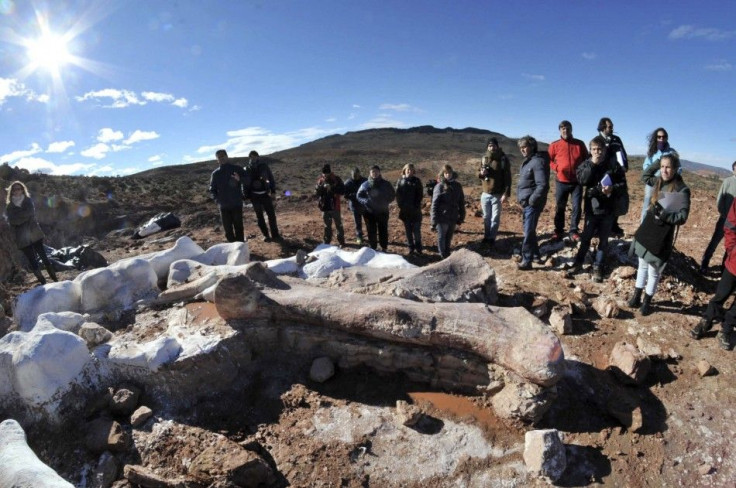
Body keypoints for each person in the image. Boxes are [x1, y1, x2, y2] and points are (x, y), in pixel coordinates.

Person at [627, 153, 690, 316]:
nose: (664, 170)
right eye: (662, 167)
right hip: (648, 230)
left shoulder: (681, 189)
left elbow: (682, 217)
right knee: (641, 266)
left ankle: (647, 302)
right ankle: (636, 296)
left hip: (662, 236)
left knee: (654, 271)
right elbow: (645, 175)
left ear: (676, 169)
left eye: (668, 167)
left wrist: (665, 215)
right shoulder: (658, 181)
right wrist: (657, 162)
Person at [566, 136, 627, 282]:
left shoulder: (614, 165)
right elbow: (582, 180)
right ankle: (579, 262)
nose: (597, 152)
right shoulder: (586, 164)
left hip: (608, 209)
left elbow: (623, 185)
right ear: (590, 150)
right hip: (592, 209)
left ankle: (598, 267)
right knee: (586, 238)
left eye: (600, 149)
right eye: (594, 149)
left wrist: (611, 189)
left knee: (603, 240)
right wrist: (593, 164)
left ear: (605, 150)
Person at [691, 198, 736, 350]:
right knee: (721, 294)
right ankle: (707, 320)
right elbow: (730, 225)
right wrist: (731, 250)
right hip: (734, 261)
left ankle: (727, 328)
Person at [4, 181, 58, 285]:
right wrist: (22, 218)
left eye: (19, 188)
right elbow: (12, 221)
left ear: (22, 189)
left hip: (35, 233)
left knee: (44, 257)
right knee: (32, 261)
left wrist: (19, 218)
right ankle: (43, 282)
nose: (17, 191)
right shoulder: (9, 206)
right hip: (22, 238)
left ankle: (54, 278)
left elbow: (30, 213)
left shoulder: (28, 200)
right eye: (14, 189)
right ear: (11, 192)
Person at [548, 120, 588, 242]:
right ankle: (559, 230)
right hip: (561, 181)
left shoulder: (579, 144)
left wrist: (582, 172)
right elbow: (549, 160)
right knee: (560, 207)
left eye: (568, 128)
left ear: (571, 130)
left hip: (577, 182)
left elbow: (586, 159)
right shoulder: (554, 145)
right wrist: (556, 168)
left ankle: (573, 230)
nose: (565, 131)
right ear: (560, 131)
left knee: (577, 207)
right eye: (563, 129)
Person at [515, 136, 550, 270]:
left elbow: (542, 185)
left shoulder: (537, 162)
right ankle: (535, 255)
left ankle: (527, 260)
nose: (522, 150)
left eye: (525, 147)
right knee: (530, 229)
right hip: (527, 202)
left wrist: (532, 200)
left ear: (532, 147)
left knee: (528, 231)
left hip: (532, 203)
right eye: (521, 148)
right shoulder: (528, 162)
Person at [700, 160, 736, 273]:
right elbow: (720, 200)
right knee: (715, 242)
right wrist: (724, 214)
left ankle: (724, 269)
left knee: (731, 246)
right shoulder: (728, 181)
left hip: (735, 222)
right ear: (733, 168)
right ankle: (704, 264)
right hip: (725, 219)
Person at [208, 149, 248, 243]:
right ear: (217, 160)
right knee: (228, 230)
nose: (221, 158)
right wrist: (218, 200)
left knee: (238, 227)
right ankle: (232, 248)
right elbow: (212, 189)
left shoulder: (237, 169)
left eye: (223, 156)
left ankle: (240, 247)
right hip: (224, 206)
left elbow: (248, 180)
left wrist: (240, 179)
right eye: (219, 157)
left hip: (236, 204)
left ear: (227, 156)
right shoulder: (216, 174)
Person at [478, 137, 512, 247]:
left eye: (494, 145)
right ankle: (486, 236)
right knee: (486, 217)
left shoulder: (503, 159)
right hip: (485, 193)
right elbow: (478, 172)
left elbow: (508, 177)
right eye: (490, 145)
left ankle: (492, 238)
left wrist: (506, 193)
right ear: (487, 147)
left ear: (497, 146)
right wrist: (481, 173)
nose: (492, 147)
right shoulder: (484, 158)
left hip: (497, 194)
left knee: (495, 218)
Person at [598, 117, 629, 237]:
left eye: (612, 127)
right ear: (603, 127)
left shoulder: (616, 140)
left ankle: (614, 225)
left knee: (616, 200)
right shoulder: (597, 140)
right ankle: (600, 226)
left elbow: (623, 154)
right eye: (610, 127)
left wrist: (625, 166)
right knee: (604, 200)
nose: (612, 129)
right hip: (603, 175)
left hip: (617, 174)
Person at [243, 150, 282, 242]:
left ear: (258, 157)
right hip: (254, 196)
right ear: (249, 158)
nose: (253, 158)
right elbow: (244, 183)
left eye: (255, 156)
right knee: (259, 216)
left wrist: (273, 191)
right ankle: (266, 235)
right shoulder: (247, 169)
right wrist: (246, 196)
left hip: (265, 194)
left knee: (271, 215)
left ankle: (275, 235)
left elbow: (270, 178)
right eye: (252, 156)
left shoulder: (264, 166)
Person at [640, 128, 677, 222]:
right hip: (652, 183)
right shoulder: (652, 151)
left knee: (661, 207)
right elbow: (646, 166)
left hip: (666, 184)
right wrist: (652, 175)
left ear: (666, 138)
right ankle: (642, 229)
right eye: (659, 137)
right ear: (655, 138)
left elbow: (678, 168)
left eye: (663, 137)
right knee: (647, 205)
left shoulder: (672, 152)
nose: (661, 139)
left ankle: (656, 232)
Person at [357, 165, 395, 251]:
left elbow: (392, 195)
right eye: (373, 171)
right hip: (369, 212)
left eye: (376, 171)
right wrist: (365, 201)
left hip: (383, 211)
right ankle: (373, 247)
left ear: (379, 172)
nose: (375, 173)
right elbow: (358, 196)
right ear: (370, 173)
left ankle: (384, 247)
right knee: (371, 231)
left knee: (383, 230)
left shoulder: (386, 184)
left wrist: (385, 201)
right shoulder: (365, 185)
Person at [430, 164, 465, 259]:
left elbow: (461, 202)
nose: (448, 175)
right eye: (446, 173)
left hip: (453, 216)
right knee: (442, 237)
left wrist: (462, 216)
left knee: (449, 237)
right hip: (442, 216)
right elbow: (434, 204)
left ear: (452, 173)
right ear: (443, 174)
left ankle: (447, 253)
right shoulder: (439, 186)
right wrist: (433, 220)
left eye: (449, 173)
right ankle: (442, 255)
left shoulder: (457, 186)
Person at [395, 163, 424, 255]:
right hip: (405, 210)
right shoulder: (400, 181)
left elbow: (420, 194)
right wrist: (401, 205)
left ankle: (418, 247)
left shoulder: (417, 181)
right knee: (408, 230)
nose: (410, 171)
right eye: (408, 169)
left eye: (411, 170)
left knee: (416, 230)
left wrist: (416, 204)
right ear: (404, 170)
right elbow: (397, 194)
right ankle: (410, 246)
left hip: (415, 210)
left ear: (414, 171)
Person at [315, 164, 346, 246]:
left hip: (335, 206)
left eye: (327, 173)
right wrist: (321, 188)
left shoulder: (337, 179)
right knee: (327, 225)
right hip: (325, 206)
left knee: (338, 224)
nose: (326, 175)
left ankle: (341, 241)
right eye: (324, 173)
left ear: (330, 172)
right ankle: (327, 241)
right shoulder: (320, 181)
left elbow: (343, 190)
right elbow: (317, 193)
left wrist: (331, 188)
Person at [344, 167, 367, 245]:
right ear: (351, 174)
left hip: (365, 206)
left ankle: (371, 237)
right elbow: (345, 195)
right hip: (355, 206)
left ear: (359, 173)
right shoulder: (348, 182)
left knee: (369, 222)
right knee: (358, 223)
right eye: (354, 175)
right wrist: (356, 195)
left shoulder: (365, 181)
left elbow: (369, 191)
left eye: (357, 175)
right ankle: (359, 237)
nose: (355, 176)